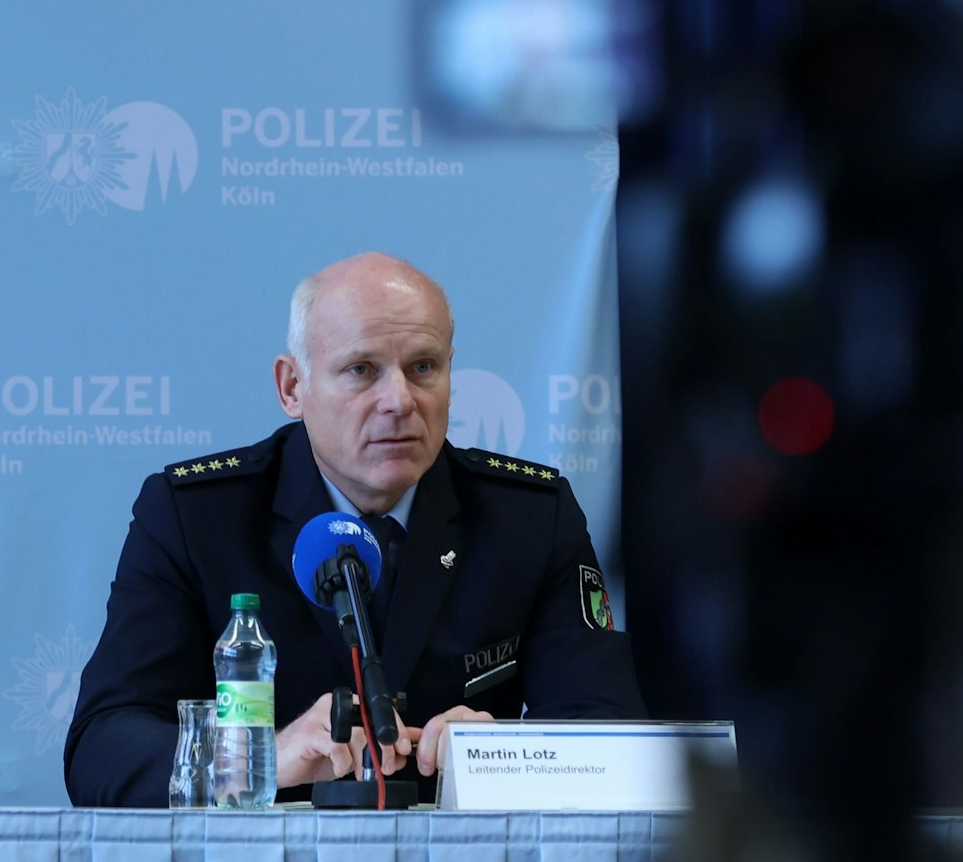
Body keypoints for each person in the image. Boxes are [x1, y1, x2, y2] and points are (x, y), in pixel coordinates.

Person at [64, 252, 645, 807]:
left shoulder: (529, 517)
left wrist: (506, 758)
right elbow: (102, 748)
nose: (398, 400)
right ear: (293, 387)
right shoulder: (196, 516)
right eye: (361, 371)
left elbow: (610, 736)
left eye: (423, 368)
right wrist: (259, 757)